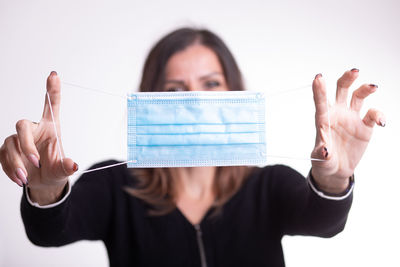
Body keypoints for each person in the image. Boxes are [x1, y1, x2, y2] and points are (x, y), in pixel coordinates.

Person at [0, 28, 385, 267]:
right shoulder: (115, 186)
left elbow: (324, 221)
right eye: (174, 90)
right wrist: (46, 188)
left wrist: (335, 180)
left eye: (212, 84)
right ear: (151, 96)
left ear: (233, 89)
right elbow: (49, 232)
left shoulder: (268, 186)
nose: (195, 101)